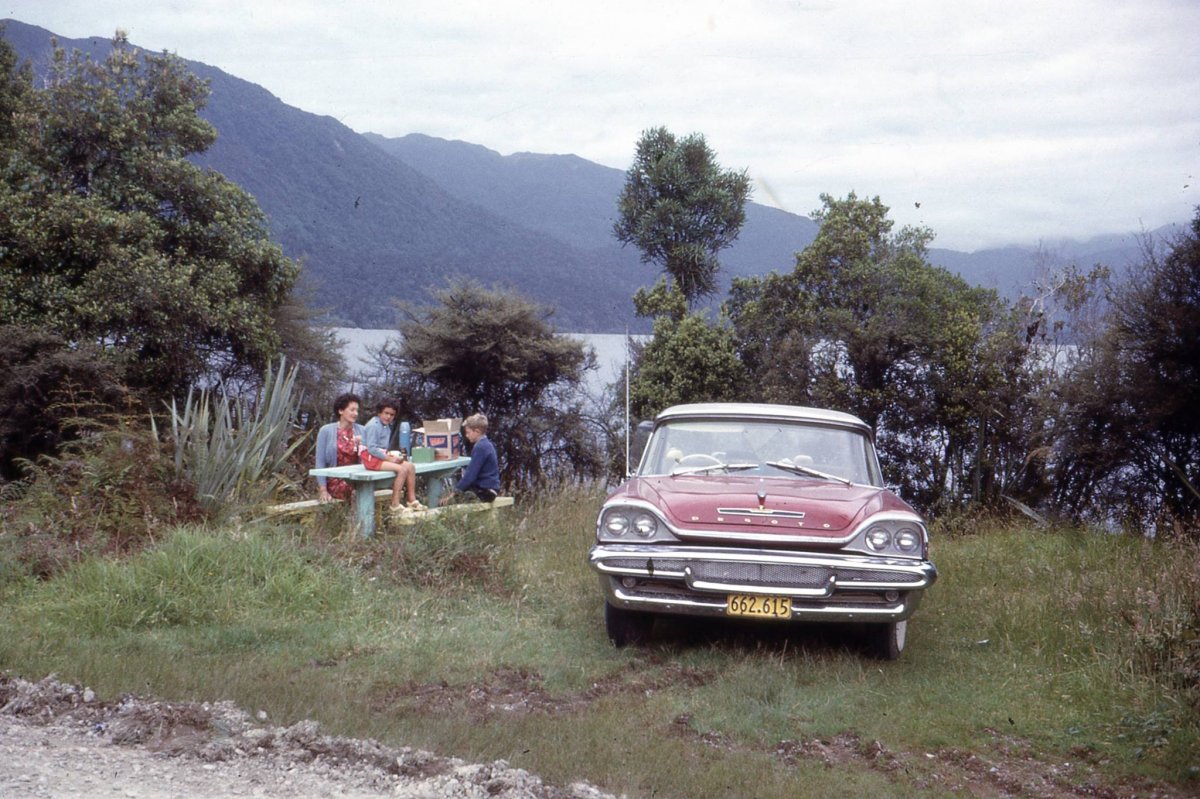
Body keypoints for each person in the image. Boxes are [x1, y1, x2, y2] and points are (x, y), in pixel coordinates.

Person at [361, 399, 425, 511]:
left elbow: (383, 447)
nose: (388, 417)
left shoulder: (386, 426)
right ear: (379, 412)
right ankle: (395, 504)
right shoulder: (373, 425)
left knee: (410, 466)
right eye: (386, 413)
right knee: (402, 470)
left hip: (380, 456)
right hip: (370, 458)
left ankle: (411, 499)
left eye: (392, 415)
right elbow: (372, 449)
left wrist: (392, 456)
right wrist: (389, 459)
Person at [315, 392, 365, 502]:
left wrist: (363, 444)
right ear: (341, 411)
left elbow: (370, 457)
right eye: (352, 410)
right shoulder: (326, 431)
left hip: (356, 481)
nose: (355, 413)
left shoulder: (362, 430)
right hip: (334, 482)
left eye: (357, 410)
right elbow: (320, 462)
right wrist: (323, 490)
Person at [451, 413, 500, 503]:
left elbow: (471, 475)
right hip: (491, 489)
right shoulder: (486, 444)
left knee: (454, 500)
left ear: (477, 431)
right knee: (461, 495)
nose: (466, 435)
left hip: (486, 491)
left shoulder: (480, 447)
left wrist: (455, 492)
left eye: (468, 432)